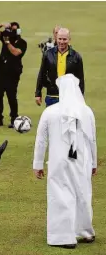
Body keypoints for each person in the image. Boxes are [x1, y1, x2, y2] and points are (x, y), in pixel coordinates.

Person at [33, 74, 97, 249]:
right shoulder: (87, 111)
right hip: (82, 160)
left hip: (59, 161)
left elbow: (41, 140)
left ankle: (63, 237)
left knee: (60, 195)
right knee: (83, 194)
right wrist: (93, 163)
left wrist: (38, 164)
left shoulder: (50, 112)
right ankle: (85, 232)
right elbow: (93, 140)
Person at [0, 21, 27, 128]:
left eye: (14, 30)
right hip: (1, 72)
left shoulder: (22, 42)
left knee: (11, 96)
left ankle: (14, 118)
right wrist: (1, 24)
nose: (12, 32)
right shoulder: (5, 37)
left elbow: (15, 52)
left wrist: (7, 42)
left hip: (12, 73)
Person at [35, 28, 85, 107]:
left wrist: (81, 97)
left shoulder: (76, 57)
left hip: (69, 97)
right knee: (52, 119)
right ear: (56, 38)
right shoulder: (48, 54)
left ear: (69, 39)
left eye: (64, 39)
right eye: (60, 39)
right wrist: (38, 93)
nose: (62, 42)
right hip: (52, 96)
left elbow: (80, 79)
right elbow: (42, 73)